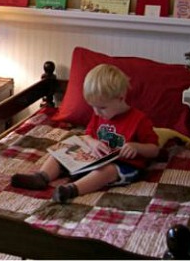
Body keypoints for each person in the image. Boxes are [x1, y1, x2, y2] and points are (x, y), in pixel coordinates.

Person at [11, 63, 160, 203]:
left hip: (123, 165)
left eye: (101, 107)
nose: (97, 112)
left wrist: (136, 147)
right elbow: (87, 136)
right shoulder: (98, 115)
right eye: (93, 107)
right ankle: (41, 177)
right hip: (94, 158)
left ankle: (72, 190)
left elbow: (154, 150)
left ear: (120, 98)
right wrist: (93, 142)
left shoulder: (139, 120)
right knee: (61, 150)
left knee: (106, 171)